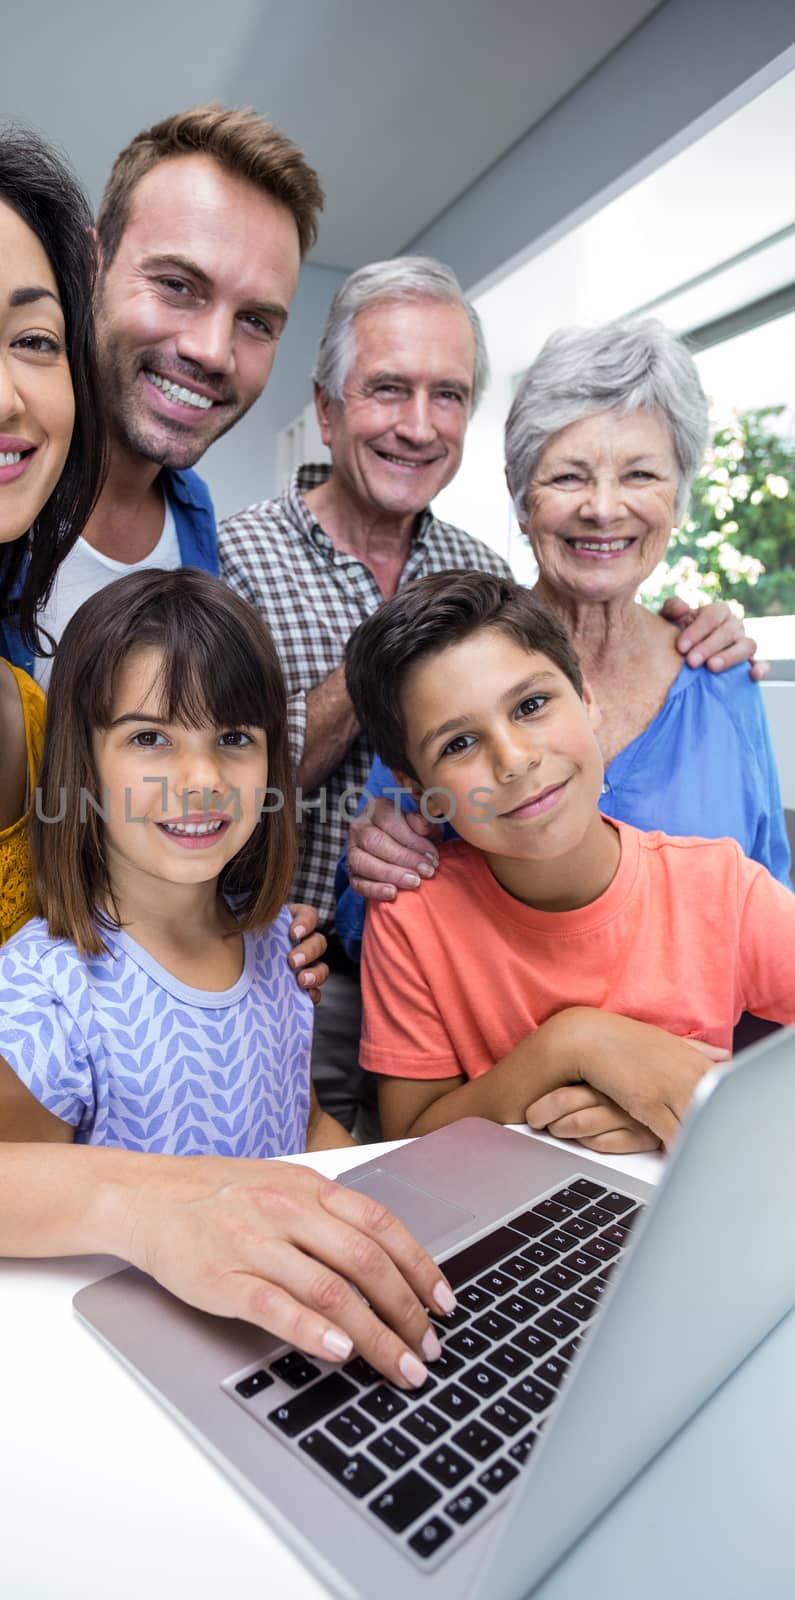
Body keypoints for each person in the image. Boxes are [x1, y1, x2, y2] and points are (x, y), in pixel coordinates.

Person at [0, 95, 455, 1391]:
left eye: (30, 340)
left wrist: (227, 922)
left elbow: (123, 896)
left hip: (35, 1332)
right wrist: (137, 1202)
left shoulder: (32, 703)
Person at [219, 264, 755, 1129]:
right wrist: (400, 646)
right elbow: (220, 778)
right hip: (324, 987)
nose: (419, 424)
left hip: (663, 1092)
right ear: (325, 409)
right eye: (388, 389)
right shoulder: (241, 558)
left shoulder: (492, 580)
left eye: (448, 396)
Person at [340, 317, 788, 957]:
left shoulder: (723, 675)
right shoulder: (449, 666)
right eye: (570, 476)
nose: (604, 508)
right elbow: (372, 918)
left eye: (640, 475)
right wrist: (378, 862)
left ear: (680, 498)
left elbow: (771, 899)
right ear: (520, 497)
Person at [343, 571, 795, 1150]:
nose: (513, 761)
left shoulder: (723, 890)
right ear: (415, 784)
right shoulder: (412, 918)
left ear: (587, 700)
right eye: (458, 744)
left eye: (531, 705)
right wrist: (574, 1045)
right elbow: (409, 1140)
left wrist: (697, 1100)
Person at [0, 568, 355, 1157]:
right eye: (149, 739)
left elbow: (308, 1130)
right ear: (82, 763)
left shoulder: (280, 949)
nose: (202, 780)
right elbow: (10, 1234)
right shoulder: (36, 1012)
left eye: (235, 738)